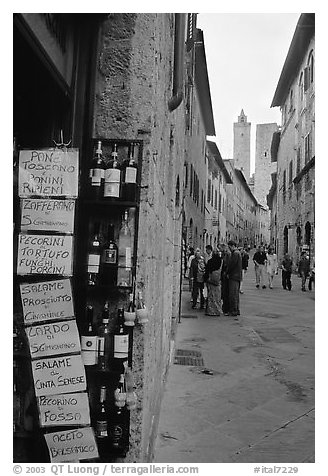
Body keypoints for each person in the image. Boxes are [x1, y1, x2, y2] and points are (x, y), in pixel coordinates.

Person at [227, 240, 242, 319]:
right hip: (237, 276)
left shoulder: (235, 253)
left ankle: (234, 310)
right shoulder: (237, 253)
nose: (228, 248)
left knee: (233, 294)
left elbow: (232, 264)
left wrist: (227, 272)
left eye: (229, 246)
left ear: (232, 245)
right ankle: (236, 309)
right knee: (235, 294)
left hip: (234, 276)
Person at [204, 252, 222, 316]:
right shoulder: (220, 261)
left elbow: (207, 270)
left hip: (210, 280)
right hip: (218, 281)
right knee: (217, 297)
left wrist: (205, 279)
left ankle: (211, 311)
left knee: (211, 296)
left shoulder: (210, 261)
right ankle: (217, 310)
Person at [220, 243, 231, 315]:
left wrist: (225, 273)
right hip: (224, 275)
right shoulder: (225, 254)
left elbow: (226, 264)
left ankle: (226, 308)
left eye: (220, 248)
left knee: (225, 292)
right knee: (224, 292)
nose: (219, 250)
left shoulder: (227, 254)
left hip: (225, 276)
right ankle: (225, 308)